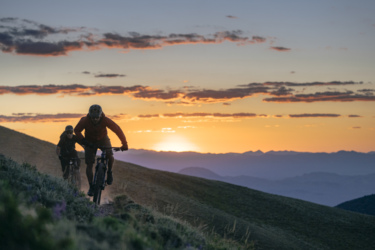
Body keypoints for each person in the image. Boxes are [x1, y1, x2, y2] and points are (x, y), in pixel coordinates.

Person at [74, 104, 128, 196]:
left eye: (97, 117)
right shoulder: (84, 120)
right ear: (90, 116)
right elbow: (77, 130)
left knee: (110, 156)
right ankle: (91, 186)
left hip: (103, 139)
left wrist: (124, 143)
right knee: (89, 164)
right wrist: (84, 141)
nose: (95, 119)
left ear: (100, 115)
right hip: (89, 141)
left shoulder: (105, 120)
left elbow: (117, 129)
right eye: (93, 118)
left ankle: (109, 172)